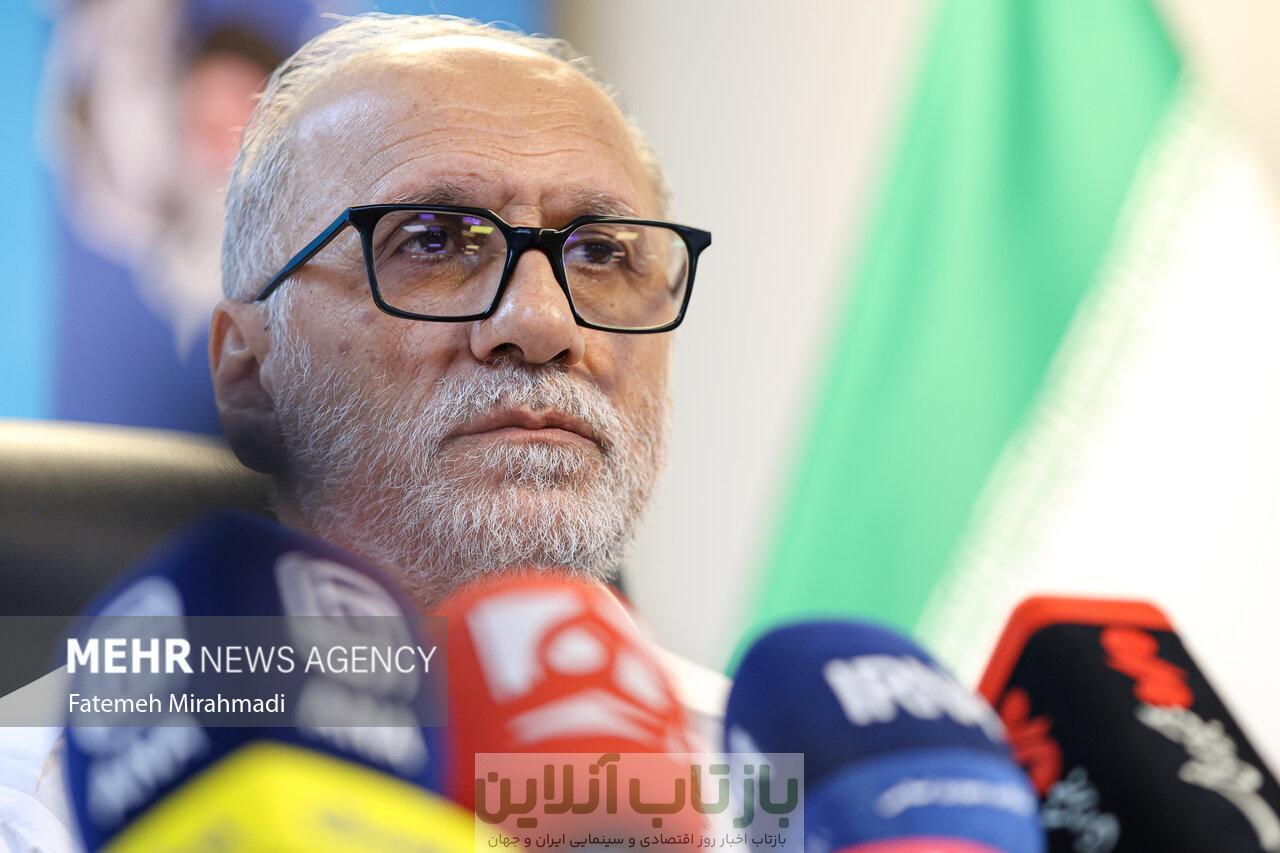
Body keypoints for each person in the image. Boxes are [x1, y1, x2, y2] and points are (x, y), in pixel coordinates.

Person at [0, 14, 722, 851]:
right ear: (249, 368)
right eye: (434, 241)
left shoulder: (799, 787)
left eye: (599, 254)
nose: (541, 321)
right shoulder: (35, 810)